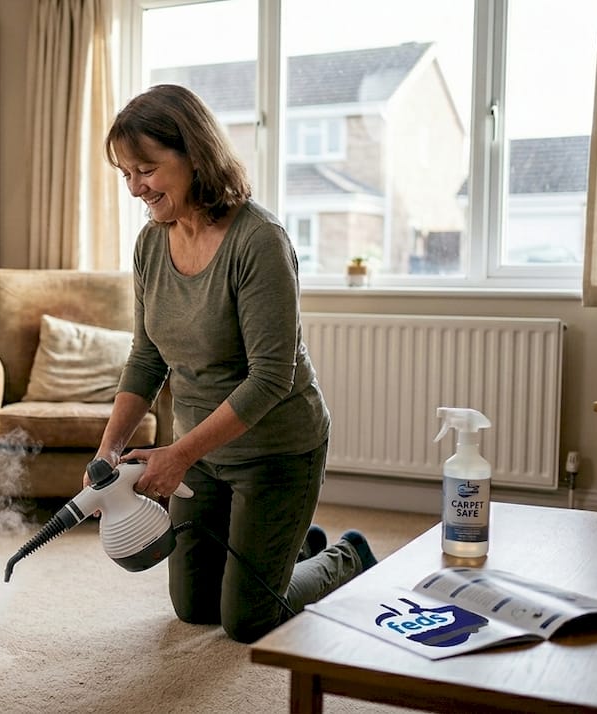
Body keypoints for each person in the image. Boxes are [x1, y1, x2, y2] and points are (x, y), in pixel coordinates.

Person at [91, 84, 377, 644]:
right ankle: (294, 547)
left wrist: (176, 456)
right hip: (198, 457)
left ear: (194, 154)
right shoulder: (152, 243)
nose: (135, 188)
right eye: (126, 174)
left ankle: (346, 555)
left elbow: (273, 376)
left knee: (247, 619)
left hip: (274, 451)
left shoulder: (259, 240)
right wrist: (108, 449)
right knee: (194, 609)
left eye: (145, 169)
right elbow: (147, 356)